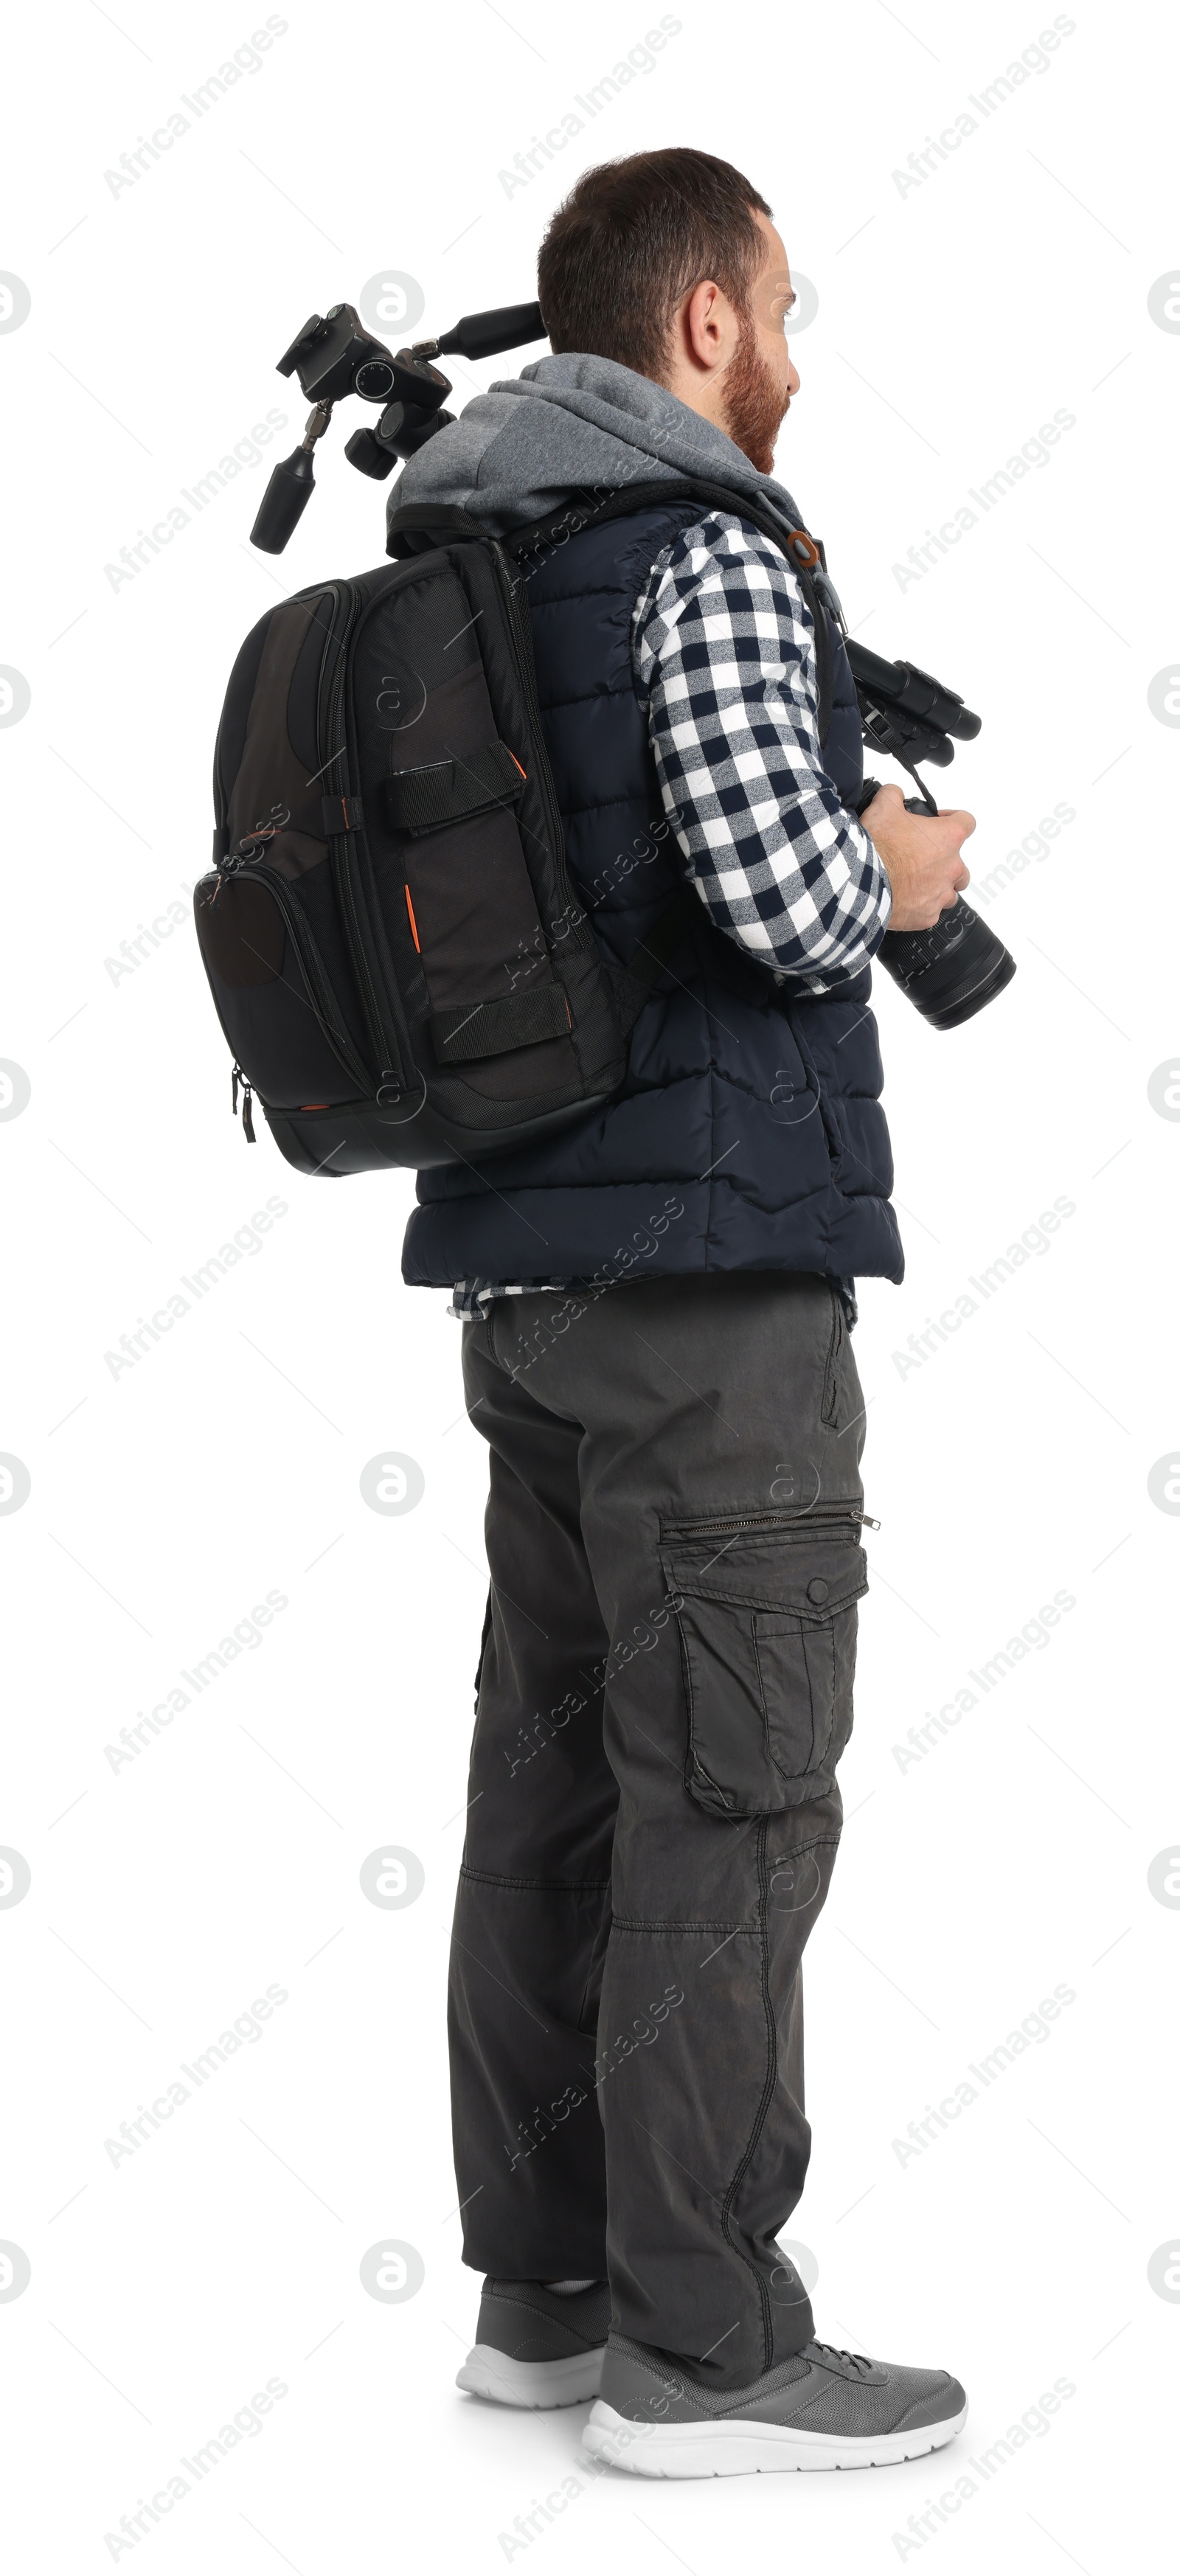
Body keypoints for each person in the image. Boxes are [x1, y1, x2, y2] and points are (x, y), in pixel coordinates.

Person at [392, 148, 974, 2476]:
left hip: (529, 1269)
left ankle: (548, 2296)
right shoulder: (703, 547)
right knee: (729, 1800)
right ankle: (705, 2349)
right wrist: (901, 867)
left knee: (551, 1791)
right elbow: (772, 893)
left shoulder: (481, 553)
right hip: (712, 1291)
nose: (796, 356)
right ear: (705, 323)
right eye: (782, 309)